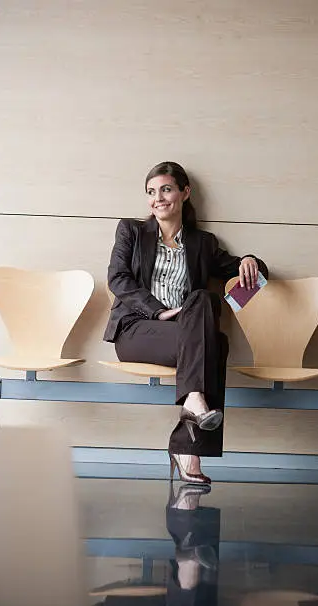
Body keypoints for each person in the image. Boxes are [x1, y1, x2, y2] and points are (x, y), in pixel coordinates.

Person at [103, 161, 268, 485]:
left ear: (184, 192)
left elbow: (248, 272)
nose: (158, 198)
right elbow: (117, 278)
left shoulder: (203, 243)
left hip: (185, 331)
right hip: (137, 329)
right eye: (151, 192)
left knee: (206, 301)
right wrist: (156, 310)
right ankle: (189, 441)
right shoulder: (132, 232)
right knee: (214, 344)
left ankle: (192, 421)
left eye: (166, 189)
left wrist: (251, 260)